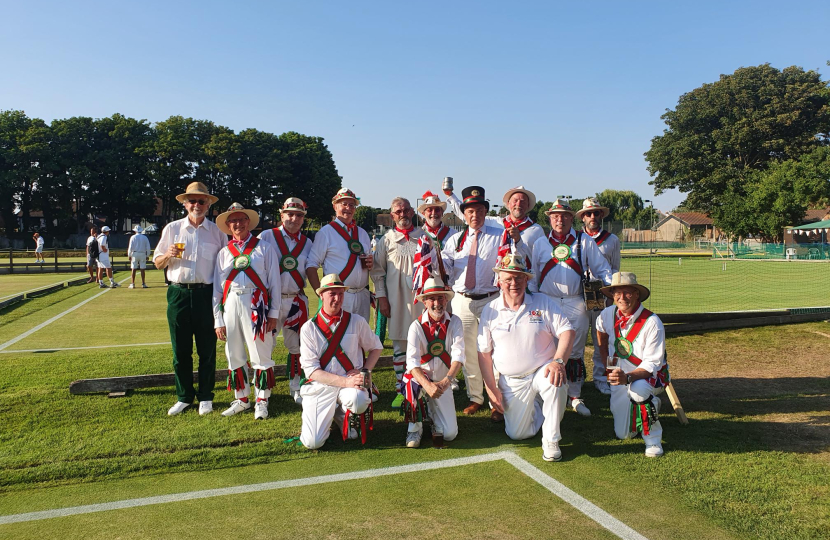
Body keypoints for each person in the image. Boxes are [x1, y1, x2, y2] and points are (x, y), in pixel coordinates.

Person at [478, 254, 575, 462]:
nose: (514, 283)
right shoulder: (490, 310)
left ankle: (551, 440)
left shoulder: (542, 301)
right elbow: (484, 353)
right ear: (499, 281)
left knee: (554, 381)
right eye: (508, 279)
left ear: (526, 279)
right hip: (512, 380)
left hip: (543, 369)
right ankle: (539, 406)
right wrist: (491, 389)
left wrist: (558, 361)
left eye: (519, 278)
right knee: (518, 434)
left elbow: (567, 331)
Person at [530, 199, 612, 417]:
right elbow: (533, 277)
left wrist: (612, 289)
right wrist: (533, 300)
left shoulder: (584, 241)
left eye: (565, 216)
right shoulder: (540, 243)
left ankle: (574, 396)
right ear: (550, 219)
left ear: (571, 218)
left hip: (576, 301)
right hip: (546, 301)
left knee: (575, 351)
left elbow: (602, 268)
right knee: (546, 349)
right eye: (555, 216)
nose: (560, 220)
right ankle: (549, 392)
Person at [153, 182, 227, 416]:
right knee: (180, 351)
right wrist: (168, 254)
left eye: (201, 201)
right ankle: (184, 397)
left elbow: (226, 266)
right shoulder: (172, 228)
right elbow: (157, 263)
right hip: (178, 294)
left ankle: (205, 396)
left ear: (208, 205)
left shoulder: (217, 232)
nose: (197, 205)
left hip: (207, 294)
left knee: (207, 351)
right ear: (185, 204)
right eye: (192, 201)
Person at [299, 274, 383, 450]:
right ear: (321, 295)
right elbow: (311, 371)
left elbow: (376, 347)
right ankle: (333, 414)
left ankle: (343, 414)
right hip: (321, 386)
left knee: (359, 400)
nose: (337, 299)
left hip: (350, 385)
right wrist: (346, 382)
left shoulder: (357, 321)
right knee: (313, 442)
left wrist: (365, 372)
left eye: (341, 293)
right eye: (332, 294)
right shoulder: (308, 328)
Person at [213, 203, 281, 420]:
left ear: (248, 222)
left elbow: (275, 283)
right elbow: (217, 289)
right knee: (233, 352)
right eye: (233, 220)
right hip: (231, 302)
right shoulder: (223, 253)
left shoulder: (264, 248)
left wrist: (273, 314)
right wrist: (218, 320)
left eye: (241, 219)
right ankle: (242, 399)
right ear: (228, 225)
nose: (238, 224)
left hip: (257, 303)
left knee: (261, 352)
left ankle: (262, 400)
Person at [440, 186, 502, 419]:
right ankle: (476, 397)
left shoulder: (499, 235)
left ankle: (497, 400)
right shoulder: (455, 240)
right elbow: (445, 268)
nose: (474, 215)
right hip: (463, 301)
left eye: (479, 210)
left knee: (494, 351)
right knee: (468, 351)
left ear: (485, 211)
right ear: (464, 214)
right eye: (470, 211)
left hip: (491, 300)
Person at [595, 272, 669, 458]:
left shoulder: (652, 322)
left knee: (638, 390)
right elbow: (600, 336)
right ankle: (651, 405)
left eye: (627, 292)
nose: (622, 297)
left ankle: (653, 440)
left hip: (648, 377)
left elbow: (652, 364)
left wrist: (628, 377)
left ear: (637, 294)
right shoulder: (607, 314)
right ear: (612, 295)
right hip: (621, 378)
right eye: (617, 293)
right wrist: (609, 367)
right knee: (624, 434)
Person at [370, 197, 425, 406]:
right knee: (400, 344)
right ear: (392, 216)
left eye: (406, 210)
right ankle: (401, 388)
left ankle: (421, 387)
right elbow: (377, 272)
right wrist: (382, 298)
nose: (403, 214)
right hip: (396, 299)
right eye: (398, 212)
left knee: (422, 344)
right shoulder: (386, 240)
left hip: (420, 300)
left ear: (412, 212)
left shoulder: (423, 237)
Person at [258, 197, 313, 404]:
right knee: (265, 346)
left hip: (296, 301)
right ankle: (263, 390)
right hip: (270, 302)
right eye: (290, 214)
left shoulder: (308, 243)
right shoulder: (266, 236)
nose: (294, 219)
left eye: (299, 215)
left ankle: (296, 387)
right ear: (281, 216)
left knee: (297, 347)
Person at [402, 277, 464, 448]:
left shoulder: (455, 322)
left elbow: (459, 357)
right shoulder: (415, 326)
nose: (437, 303)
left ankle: (431, 416)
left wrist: (446, 382)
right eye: (432, 299)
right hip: (421, 382)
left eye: (440, 298)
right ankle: (415, 427)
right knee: (412, 384)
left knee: (450, 435)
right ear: (424, 302)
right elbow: (412, 363)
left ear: (446, 300)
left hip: (444, 382)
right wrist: (428, 385)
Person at [305, 188, 373, 322]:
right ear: (335, 206)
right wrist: (322, 294)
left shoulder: (362, 233)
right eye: (344, 204)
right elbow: (311, 265)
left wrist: (371, 263)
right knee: (338, 333)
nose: (348, 208)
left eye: (352, 205)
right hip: (339, 297)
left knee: (361, 334)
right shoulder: (325, 233)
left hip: (363, 295)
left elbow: (370, 262)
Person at [576, 198, 621, 396]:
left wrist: (612, 294)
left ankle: (602, 378)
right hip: (579, 292)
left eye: (596, 213)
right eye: (588, 213)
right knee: (577, 337)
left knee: (602, 338)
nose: (592, 217)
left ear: (601, 215)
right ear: (582, 217)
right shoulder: (575, 238)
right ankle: (576, 377)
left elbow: (615, 268)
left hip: (602, 293)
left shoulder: (612, 240)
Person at [445, 185, 545, 267]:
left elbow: (542, 259)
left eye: (523, 201)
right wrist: (451, 196)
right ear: (508, 203)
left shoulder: (536, 230)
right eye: (515, 200)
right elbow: (469, 215)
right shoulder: (495, 223)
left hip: (527, 281)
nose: (518, 204)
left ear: (528, 205)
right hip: (501, 281)